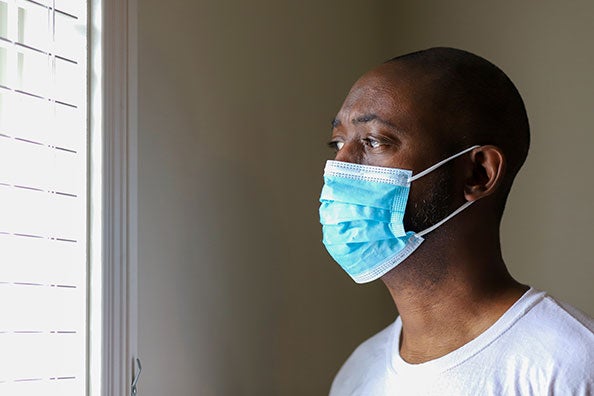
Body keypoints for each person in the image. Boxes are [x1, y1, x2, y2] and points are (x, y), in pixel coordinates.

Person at [319, 47, 594, 395]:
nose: (339, 167)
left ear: (478, 173)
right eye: (337, 142)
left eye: (374, 141)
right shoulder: (358, 372)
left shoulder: (570, 365)